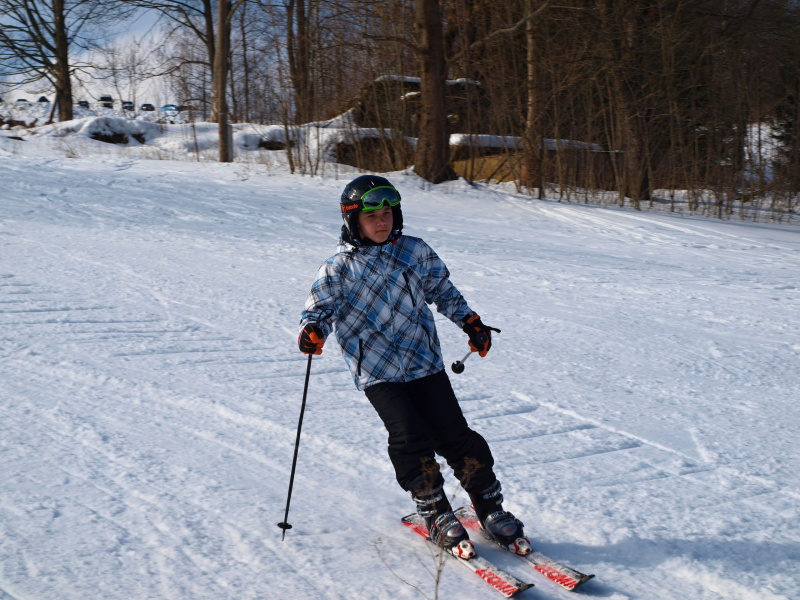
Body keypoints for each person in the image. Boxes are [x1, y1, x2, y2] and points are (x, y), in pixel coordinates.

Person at [298, 174, 530, 558]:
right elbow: (318, 310)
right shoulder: (339, 268)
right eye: (371, 217)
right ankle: (435, 511)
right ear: (353, 220)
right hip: (377, 371)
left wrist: (471, 323)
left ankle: (490, 506)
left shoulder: (414, 251)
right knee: (410, 438)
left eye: (387, 214)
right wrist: (312, 331)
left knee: (455, 435)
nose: (381, 222)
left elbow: (442, 291)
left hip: (424, 361)